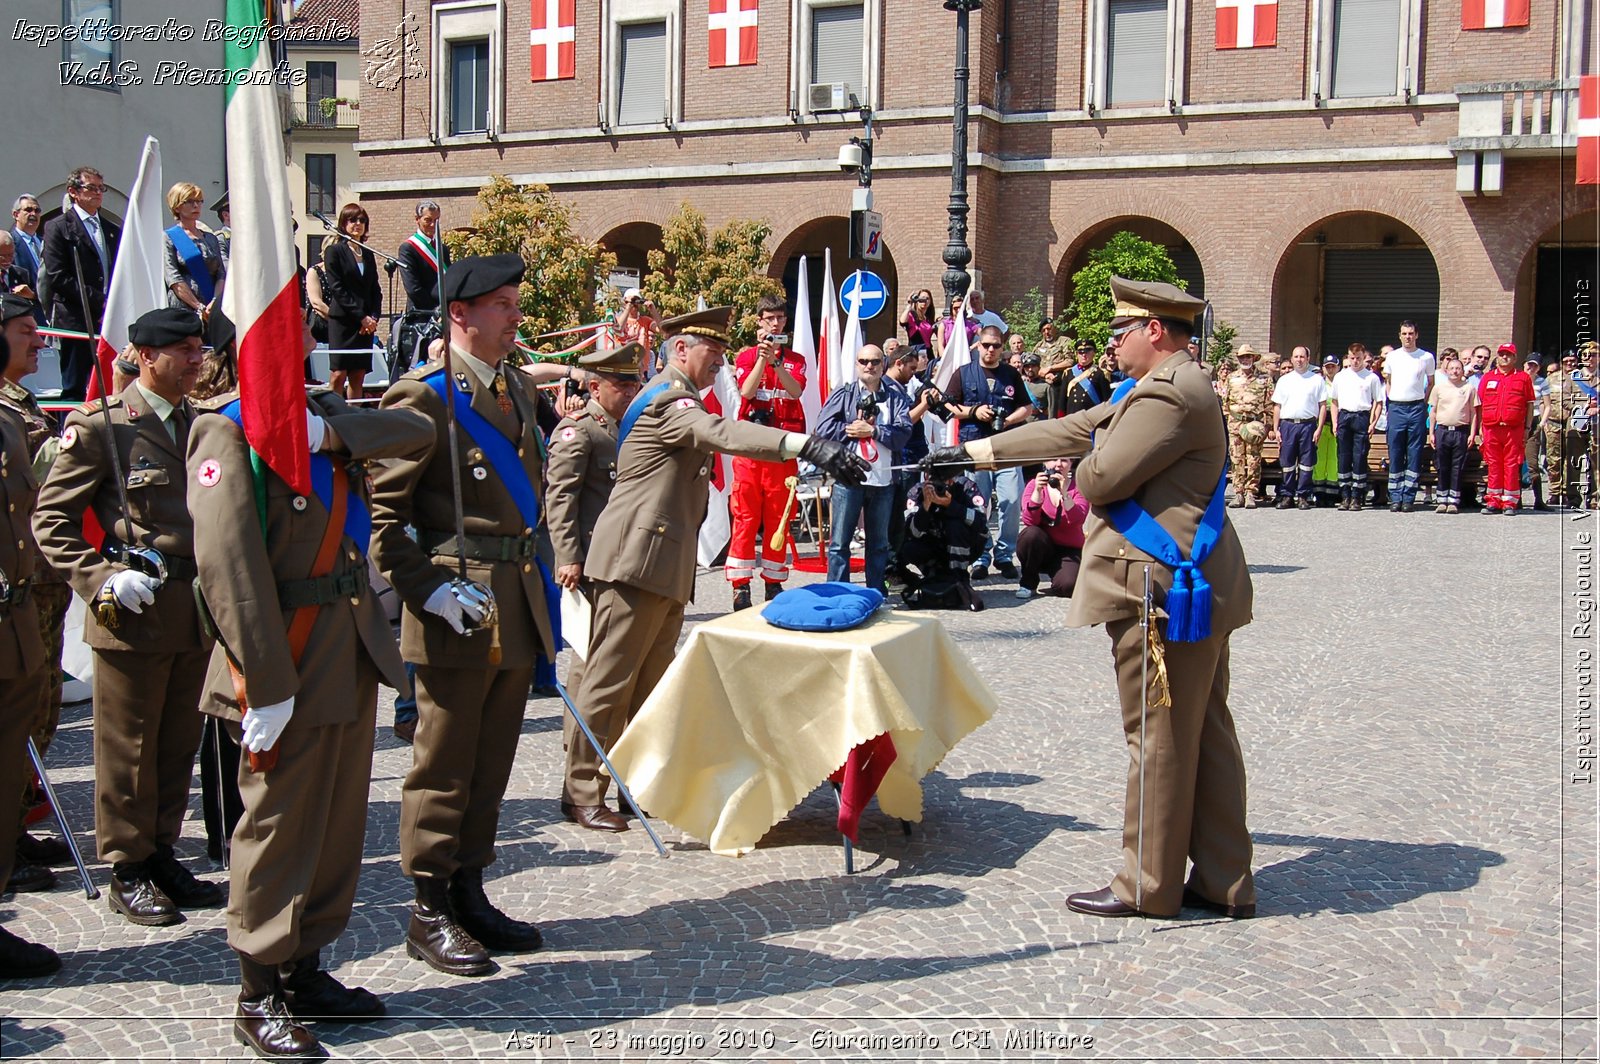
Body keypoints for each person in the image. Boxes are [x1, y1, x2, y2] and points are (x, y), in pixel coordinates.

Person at [924, 276, 1255, 920]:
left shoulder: (1167, 395)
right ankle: (1222, 878)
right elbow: (1073, 426)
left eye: (1120, 331)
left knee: (1157, 735)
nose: (1112, 342)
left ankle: (1147, 886)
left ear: (1153, 331)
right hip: (1185, 581)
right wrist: (969, 452)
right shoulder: (1162, 387)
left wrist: (1079, 462)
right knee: (1203, 731)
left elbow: (1099, 475)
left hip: (1158, 589)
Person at [187, 329, 433, 1059]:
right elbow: (228, 570)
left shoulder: (321, 415)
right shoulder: (225, 429)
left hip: (349, 650)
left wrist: (329, 430)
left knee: (334, 822)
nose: (301, 342)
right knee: (278, 827)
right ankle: (257, 989)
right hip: (283, 658)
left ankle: (305, 966)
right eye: (285, 329)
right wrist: (264, 684)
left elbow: (415, 429)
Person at [569, 307, 869, 831]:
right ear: (680, 350)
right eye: (713, 354)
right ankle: (581, 791)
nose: (720, 364)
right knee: (608, 682)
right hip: (634, 563)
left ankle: (633, 784)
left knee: (649, 686)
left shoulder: (679, 397)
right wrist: (806, 445)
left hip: (661, 565)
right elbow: (723, 433)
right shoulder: (669, 400)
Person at [370, 254, 561, 975]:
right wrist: (429, 591)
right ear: (460, 314)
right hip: (458, 604)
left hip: (510, 599)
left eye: (515, 301)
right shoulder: (421, 398)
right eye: (503, 304)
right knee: (443, 763)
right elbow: (383, 523)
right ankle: (426, 907)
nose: (516, 315)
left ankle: (469, 887)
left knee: (492, 761)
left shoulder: (511, 384)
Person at [33, 307, 222, 926]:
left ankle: (162, 852)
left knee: (176, 745)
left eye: (200, 348)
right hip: (133, 611)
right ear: (146, 356)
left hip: (193, 610)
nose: (198, 359)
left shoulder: (201, 425)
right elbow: (51, 523)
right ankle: (126, 866)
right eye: (185, 350)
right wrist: (103, 578)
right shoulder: (103, 429)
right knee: (128, 748)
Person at [550, 341, 644, 828]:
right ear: (593, 386)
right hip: (588, 569)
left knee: (612, 676)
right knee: (590, 675)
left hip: (621, 568)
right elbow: (561, 499)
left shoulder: (626, 428)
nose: (630, 390)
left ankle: (610, 773)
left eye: (634, 382)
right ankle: (580, 785)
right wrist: (567, 557)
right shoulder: (579, 431)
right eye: (621, 383)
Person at [0, 295, 71, 886]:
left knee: (38, 712)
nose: (38, 340)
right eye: (26, 331)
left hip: (39, 587)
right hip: (17, 593)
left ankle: (15, 829)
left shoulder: (20, 404)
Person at [726, 294, 807, 610]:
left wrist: (776, 361)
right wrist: (761, 358)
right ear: (759, 321)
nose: (775, 324)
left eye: (779, 319)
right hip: (750, 449)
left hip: (783, 450)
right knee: (745, 516)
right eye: (769, 319)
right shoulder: (746, 357)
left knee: (780, 516)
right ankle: (740, 585)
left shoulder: (795, 359)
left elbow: (796, 390)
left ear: (785, 321)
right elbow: (746, 391)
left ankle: (773, 582)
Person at [816, 343, 912, 593]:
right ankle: (837, 594)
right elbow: (824, 428)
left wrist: (874, 431)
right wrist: (853, 428)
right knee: (839, 543)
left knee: (879, 544)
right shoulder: (845, 392)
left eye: (875, 362)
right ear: (857, 364)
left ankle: (876, 593)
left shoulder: (896, 395)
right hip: (849, 478)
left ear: (884, 365)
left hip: (883, 480)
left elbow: (904, 433)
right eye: (863, 361)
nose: (869, 366)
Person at [945, 324, 1031, 580]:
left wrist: (1009, 420)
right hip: (975, 447)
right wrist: (973, 412)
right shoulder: (964, 373)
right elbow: (947, 404)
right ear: (978, 346)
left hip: (1006, 445)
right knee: (979, 503)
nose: (991, 349)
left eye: (996, 345)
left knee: (1012, 500)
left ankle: (1005, 555)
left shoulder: (1010, 375)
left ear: (1002, 348)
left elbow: (1027, 407)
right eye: (986, 345)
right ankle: (981, 556)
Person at [41, 165, 121, 400]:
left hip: (109, 320)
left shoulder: (111, 229)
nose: (98, 193)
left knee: (109, 384)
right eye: (91, 188)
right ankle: (72, 433)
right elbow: (57, 276)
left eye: (101, 188)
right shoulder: (58, 227)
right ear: (73, 191)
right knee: (75, 385)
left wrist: (113, 303)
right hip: (76, 318)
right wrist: (99, 301)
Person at [320, 203, 382, 400]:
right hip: (344, 321)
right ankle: (335, 414)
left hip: (365, 325)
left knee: (358, 374)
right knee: (339, 374)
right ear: (343, 223)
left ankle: (355, 415)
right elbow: (337, 288)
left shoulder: (368, 253)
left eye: (362, 220)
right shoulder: (335, 251)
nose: (358, 224)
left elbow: (375, 290)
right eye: (353, 220)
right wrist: (361, 317)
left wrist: (373, 317)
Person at [1382, 321, 1436, 512]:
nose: (1408, 337)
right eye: (1404, 334)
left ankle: (1409, 498)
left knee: (1414, 453)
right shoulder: (1392, 357)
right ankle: (1395, 496)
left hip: (1416, 408)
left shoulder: (1426, 357)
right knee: (1395, 451)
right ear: (1399, 335)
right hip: (1397, 407)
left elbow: (1430, 383)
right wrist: (1392, 400)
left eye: (1411, 333)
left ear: (1416, 335)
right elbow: (1388, 381)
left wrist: (1423, 402)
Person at [1477, 342, 1535, 514]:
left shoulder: (1523, 378)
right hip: (1491, 428)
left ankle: (1509, 502)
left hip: (1514, 429)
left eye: (1508, 354)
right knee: (1493, 464)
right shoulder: (1488, 378)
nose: (1504, 357)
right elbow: (1480, 404)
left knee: (1511, 465)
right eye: (1502, 354)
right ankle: (1493, 501)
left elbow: (1530, 405)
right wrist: (1481, 426)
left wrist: (1527, 428)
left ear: (1515, 358)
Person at [1016, 458, 1087, 599]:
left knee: (1067, 587)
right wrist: (1037, 492)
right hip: (1041, 545)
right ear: (1045, 463)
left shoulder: (1079, 487)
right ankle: (1028, 583)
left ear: (1071, 464)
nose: (1058, 464)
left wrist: (1065, 494)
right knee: (1030, 535)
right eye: (1054, 459)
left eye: (1064, 460)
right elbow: (1029, 521)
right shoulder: (1033, 485)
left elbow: (1078, 519)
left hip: (1069, 549)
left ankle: (1060, 576)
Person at [1268, 346, 1329, 510]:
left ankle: (1303, 496)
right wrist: (1276, 428)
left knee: (1306, 463)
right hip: (1287, 425)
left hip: (1308, 425)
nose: (1299, 360)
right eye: (1296, 357)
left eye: (1302, 357)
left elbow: (1323, 406)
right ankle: (1287, 495)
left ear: (1308, 359)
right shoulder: (1285, 380)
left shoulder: (1317, 380)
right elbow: (1277, 406)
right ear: (1292, 359)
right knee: (1287, 462)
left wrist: (1319, 428)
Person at [394, 199, 449, 378]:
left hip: (444, 318)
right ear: (417, 219)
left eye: (436, 220)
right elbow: (413, 288)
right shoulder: (409, 248)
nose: (433, 225)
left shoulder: (442, 248)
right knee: (423, 367)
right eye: (428, 220)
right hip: (422, 317)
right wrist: (436, 311)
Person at [1329, 343, 1383, 510]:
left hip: (1361, 416)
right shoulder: (1341, 376)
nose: (1355, 361)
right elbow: (1335, 402)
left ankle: (1357, 496)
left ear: (1363, 358)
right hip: (1345, 416)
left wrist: (1373, 422)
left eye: (1358, 358)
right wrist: (1335, 422)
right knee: (1343, 457)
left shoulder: (1371, 377)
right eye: (1352, 358)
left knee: (1359, 457)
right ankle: (1345, 495)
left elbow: (1378, 402)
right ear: (1348, 357)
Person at [162, 182, 226, 318]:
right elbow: (173, 278)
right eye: (190, 201)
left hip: (212, 307)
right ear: (177, 206)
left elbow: (221, 273)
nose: (196, 206)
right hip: (184, 308)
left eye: (199, 201)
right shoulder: (169, 237)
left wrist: (214, 302)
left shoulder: (211, 238)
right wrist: (199, 307)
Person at [1429, 352, 1479, 514]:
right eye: (1452, 368)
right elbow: (1433, 411)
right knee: (1442, 466)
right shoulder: (1439, 388)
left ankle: (1453, 501)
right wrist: (1431, 432)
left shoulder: (1469, 388)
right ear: (1447, 370)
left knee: (1457, 467)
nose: (1455, 371)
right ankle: (1442, 499)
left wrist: (1472, 434)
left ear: (1462, 370)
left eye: (1458, 368)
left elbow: (1474, 413)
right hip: (1442, 431)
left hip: (1461, 432)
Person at [1222, 344, 1270, 508]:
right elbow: (1225, 402)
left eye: (1248, 356)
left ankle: (1251, 493)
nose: (1245, 360)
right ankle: (1238, 493)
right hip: (1235, 424)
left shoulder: (1264, 378)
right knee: (1237, 459)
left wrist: (1268, 426)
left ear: (1254, 358)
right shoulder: (1231, 378)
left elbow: (1269, 404)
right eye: (1242, 357)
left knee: (1254, 459)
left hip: (1254, 424)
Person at [1543, 351, 1586, 508]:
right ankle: (1554, 492)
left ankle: (1568, 493)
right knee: (1554, 460)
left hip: (1573, 425)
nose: (1570, 363)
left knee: (1571, 461)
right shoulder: (1551, 379)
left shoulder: (1583, 378)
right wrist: (1544, 420)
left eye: (1573, 360)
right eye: (1566, 361)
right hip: (1554, 423)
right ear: (1561, 362)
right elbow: (1543, 400)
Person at [1050, 338, 1110, 421]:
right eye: (1080, 352)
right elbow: (1062, 401)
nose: (1084, 355)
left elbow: (1106, 401)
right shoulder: (1069, 373)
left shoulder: (1100, 373)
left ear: (1094, 353)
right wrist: (1061, 419)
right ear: (1076, 354)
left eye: (1087, 351)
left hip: (1091, 418)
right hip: (1072, 418)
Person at [1310, 355, 1342, 504]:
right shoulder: (1319, 384)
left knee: (1334, 459)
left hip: (1337, 424)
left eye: (1333, 366)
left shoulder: (1342, 383)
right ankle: (1319, 493)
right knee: (1320, 459)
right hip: (1321, 425)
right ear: (1323, 368)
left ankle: (1332, 494)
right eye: (1327, 366)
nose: (1330, 369)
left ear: (1338, 367)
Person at [9, 196, 46, 321]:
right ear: (16, 214)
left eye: (37, 210)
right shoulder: (9, 244)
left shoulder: (46, 243)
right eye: (28, 210)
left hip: (51, 313)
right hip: (24, 314)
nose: (33, 214)